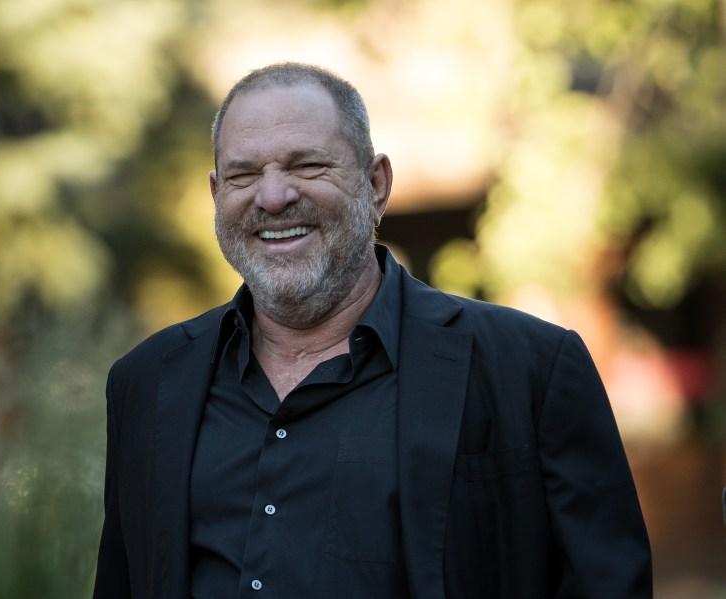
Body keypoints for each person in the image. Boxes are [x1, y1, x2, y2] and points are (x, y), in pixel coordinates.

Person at [92, 62, 652, 598]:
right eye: (243, 175)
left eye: (307, 166)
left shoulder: (530, 368)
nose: (273, 196)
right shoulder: (146, 383)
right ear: (217, 196)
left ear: (376, 183)